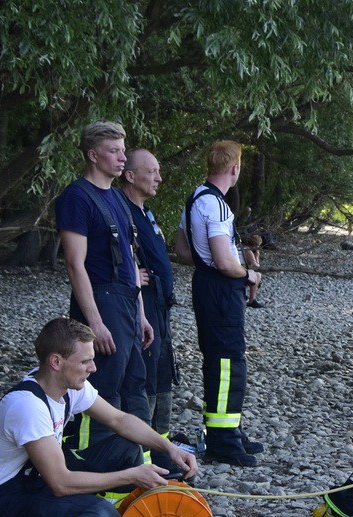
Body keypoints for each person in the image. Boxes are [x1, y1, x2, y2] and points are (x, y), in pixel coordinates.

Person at [0, 318, 198, 517]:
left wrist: (170, 448)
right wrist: (133, 475)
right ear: (56, 362)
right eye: (85, 362)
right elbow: (61, 483)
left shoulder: (65, 388)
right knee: (99, 515)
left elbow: (119, 420)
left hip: (34, 481)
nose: (93, 368)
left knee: (125, 450)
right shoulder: (28, 406)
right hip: (4, 504)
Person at [55, 121, 152, 455]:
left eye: (123, 150)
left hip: (126, 303)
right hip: (100, 301)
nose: (122, 158)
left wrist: (140, 315)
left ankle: (141, 466)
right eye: (114, 151)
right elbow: (74, 263)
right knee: (99, 388)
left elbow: (130, 260)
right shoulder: (77, 197)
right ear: (93, 155)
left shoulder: (118, 198)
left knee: (134, 385)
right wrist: (94, 323)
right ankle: (89, 462)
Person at [175, 140, 264, 466]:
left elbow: (184, 252)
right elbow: (225, 261)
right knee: (229, 364)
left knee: (219, 360)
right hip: (221, 287)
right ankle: (223, 441)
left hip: (204, 284)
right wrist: (248, 276)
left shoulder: (195, 199)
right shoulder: (218, 206)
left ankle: (229, 430)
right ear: (234, 168)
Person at [121, 149, 178, 439]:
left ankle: (162, 440)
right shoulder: (123, 211)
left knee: (162, 371)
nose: (159, 177)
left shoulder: (146, 213)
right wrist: (132, 275)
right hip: (143, 307)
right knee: (147, 372)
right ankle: (144, 444)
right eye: (152, 171)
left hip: (160, 306)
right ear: (130, 176)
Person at [241, 233, 265, 308]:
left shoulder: (244, 248)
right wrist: (257, 256)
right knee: (258, 274)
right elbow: (257, 266)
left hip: (240, 269)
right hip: (240, 271)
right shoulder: (248, 251)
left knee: (256, 274)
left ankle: (250, 299)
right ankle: (252, 300)